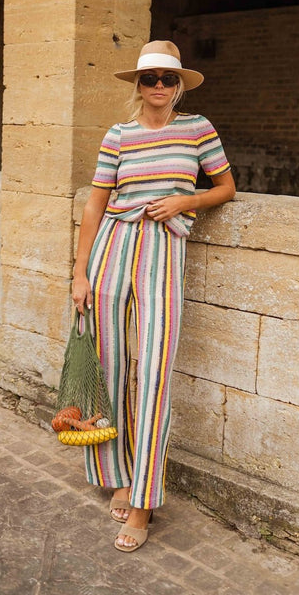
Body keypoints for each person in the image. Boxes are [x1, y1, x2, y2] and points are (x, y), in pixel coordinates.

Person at [72, 40, 236, 553]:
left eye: (168, 78)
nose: (159, 86)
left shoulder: (198, 128)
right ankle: (117, 473)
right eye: (150, 78)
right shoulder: (118, 135)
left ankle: (143, 501)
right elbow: (96, 205)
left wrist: (186, 201)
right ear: (138, 85)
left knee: (155, 373)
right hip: (111, 248)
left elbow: (226, 188)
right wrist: (79, 272)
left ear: (179, 84)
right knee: (109, 366)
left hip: (163, 250)